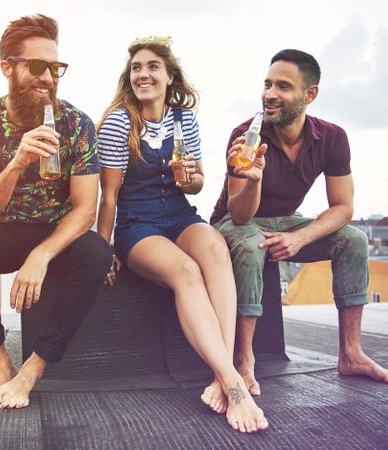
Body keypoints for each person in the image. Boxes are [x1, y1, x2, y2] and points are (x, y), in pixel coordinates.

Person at [97, 36, 268, 433]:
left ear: (169, 76)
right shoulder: (119, 122)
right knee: (186, 272)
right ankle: (235, 384)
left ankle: (221, 376)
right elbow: (109, 195)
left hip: (178, 215)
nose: (144, 74)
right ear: (129, 77)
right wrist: (103, 247)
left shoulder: (184, 119)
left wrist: (191, 179)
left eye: (153, 66)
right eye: (137, 67)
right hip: (138, 225)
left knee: (215, 246)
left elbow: (196, 185)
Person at [0, 14, 111, 410]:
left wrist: (42, 254)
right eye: (38, 67)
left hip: (54, 232)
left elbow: (87, 209)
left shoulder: (77, 124)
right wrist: (17, 163)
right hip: (3, 232)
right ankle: (0, 361)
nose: (49, 79)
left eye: (56, 69)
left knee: (98, 252)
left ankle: (33, 369)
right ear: (8, 67)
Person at [211, 49, 388, 396]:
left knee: (354, 239)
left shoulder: (332, 137)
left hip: (287, 222)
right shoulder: (245, 134)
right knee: (253, 243)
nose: (270, 94)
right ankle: (243, 361)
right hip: (234, 221)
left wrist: (301, 238)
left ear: (309, 94)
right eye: (267, 84)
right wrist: (253, 179)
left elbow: (343, 207)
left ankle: (351, 354)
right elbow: (240, 216)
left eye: (283, 86)